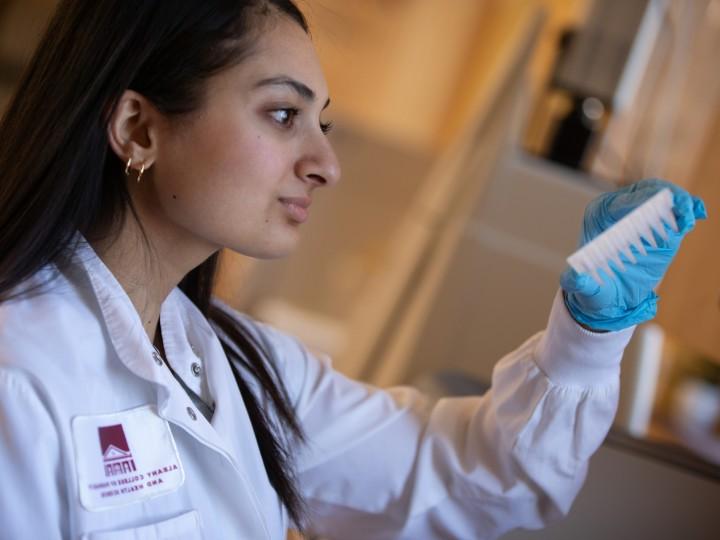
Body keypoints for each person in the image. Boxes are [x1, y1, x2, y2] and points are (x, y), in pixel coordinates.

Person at [0, 1, 706, 539]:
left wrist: (587, 335)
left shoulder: (243, 367)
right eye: (282, 114)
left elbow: (464, 478)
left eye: (321, 125)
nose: (325, 164)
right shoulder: (20, 375)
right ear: (138, 128)